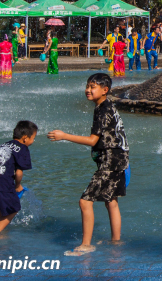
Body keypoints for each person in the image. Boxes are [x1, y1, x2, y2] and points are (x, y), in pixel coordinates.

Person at [48, 73, 129, 256]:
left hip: (110, 161)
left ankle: (86, 245)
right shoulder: (106, 106)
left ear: (105, 90)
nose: (88, 90)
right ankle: (116, 242)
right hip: (118, 159)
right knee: (111, 201)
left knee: (85, 201)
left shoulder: (103, 110)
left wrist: (64, 136)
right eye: (87, 86)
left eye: (93, 87)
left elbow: (93, 140)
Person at [0, 120, 37, 238]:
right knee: (13, 208)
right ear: (25, 138)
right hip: (1, 180)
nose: (33, 141)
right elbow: (19, 173)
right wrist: (17, 185)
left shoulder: (2, 145)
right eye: (33, 138)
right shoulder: (23, 148)